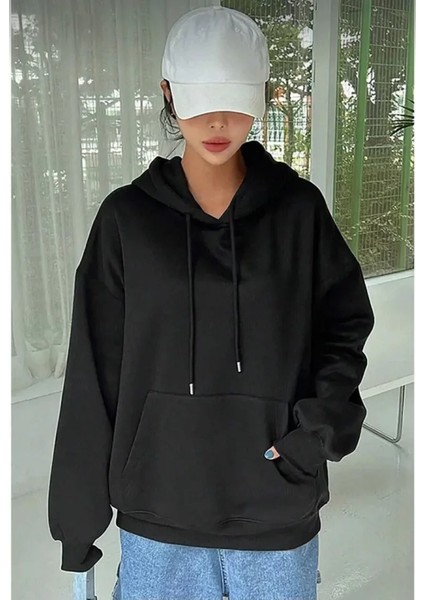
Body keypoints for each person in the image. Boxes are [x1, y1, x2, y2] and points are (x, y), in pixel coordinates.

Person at [47, 6, 375, 600]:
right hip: (158, 517)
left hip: (276, 512)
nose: (217, 120)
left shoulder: (298, 211)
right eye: (200, 99)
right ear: (168, 94)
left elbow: (344, 327)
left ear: (263, 96)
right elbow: (94, 374)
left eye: (235, 99)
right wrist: (78, 527)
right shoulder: (126, 220)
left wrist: (315, 433)